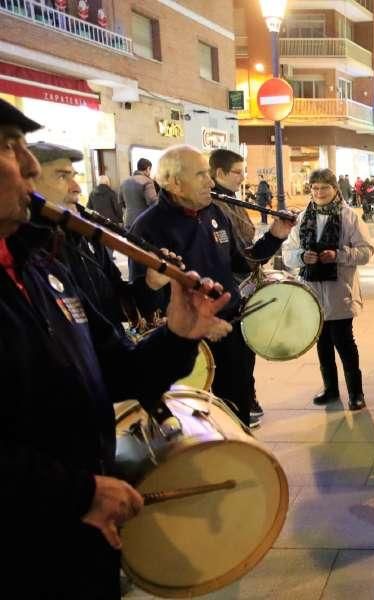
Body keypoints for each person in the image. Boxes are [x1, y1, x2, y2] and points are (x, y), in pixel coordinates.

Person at [0, 98, 232, 599]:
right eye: (8, 146)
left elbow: (120, 372)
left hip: (81, 532)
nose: (30, 165)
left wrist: (178, 334)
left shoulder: (41, 267)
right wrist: (78, 492)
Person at [129, 145, 293, 428]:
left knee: (237, 408)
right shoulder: (147, 227)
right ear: (174, 182)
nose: (210, 181)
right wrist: (152, 284)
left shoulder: (214, 212)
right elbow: (142, 302)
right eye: (201, 174)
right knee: (193, 418)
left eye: (209, 174)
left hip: (228, 327)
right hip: (185, 338)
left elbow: (242, 263)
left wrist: (276, 236)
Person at [283, 169, 373, 410]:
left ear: (335, 189)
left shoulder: (349, 216)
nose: (319, 192)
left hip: (339, 294)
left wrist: (339, 255)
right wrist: (303, 257)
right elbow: (288, 254)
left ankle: (356, 393)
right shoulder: (302, 218)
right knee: (322, 345)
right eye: (315, 188)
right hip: (311, 295)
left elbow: (366, 251)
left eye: (324, 188)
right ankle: (331, 389)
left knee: (345, 344)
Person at [29, 142, 143, 332]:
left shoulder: (85, 235)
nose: (77, 188)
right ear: (28, 184)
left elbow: (114, 291)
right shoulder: (29, 250)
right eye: (62, 176)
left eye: (73, 176)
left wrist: (150, 284)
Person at [209, 148, 265, 421]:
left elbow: (245, 252)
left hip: (241, 287)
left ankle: (246, 396)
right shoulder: (215, 207)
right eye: (238, 172)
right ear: (219, 173)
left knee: (245, 352)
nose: (243, 177)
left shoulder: (230, 200)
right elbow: (240, 257)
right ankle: (240, 402)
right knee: (233, 359)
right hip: (227, 295)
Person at [121, 157, 158, 229]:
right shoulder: (147, 181)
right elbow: (152, 201)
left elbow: (121, 201)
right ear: (148, 168)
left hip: (128, 221)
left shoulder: (125, 182)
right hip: (142, 222)